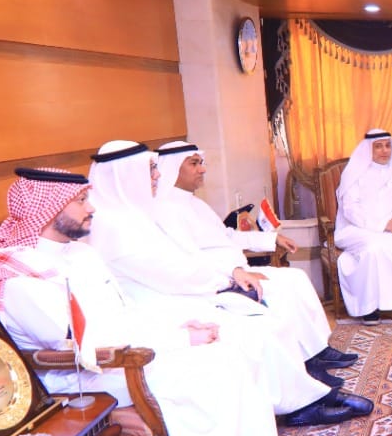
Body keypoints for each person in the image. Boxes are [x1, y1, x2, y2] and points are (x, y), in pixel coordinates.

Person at [0, 167, 292, 436]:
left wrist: (177, 326)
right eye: (80, 201)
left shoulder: (80, 255)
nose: (91, 208)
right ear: (49, 209)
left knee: (228, 348)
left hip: (118, 354)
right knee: (206, 369)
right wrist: (180, 339)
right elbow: (83, 346)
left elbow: (124, 313)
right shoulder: (23, 279)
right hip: (80, 376)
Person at [85, 140, 371, 427]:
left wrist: (234, 270)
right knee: (258, 326)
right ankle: (301, 402)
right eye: (150, 169)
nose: (157, 175)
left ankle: (305, 391)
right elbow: (174, 272)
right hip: (164, 307)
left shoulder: (138, 216)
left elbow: (200, 251)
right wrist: (228, 277)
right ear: (126, 175)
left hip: (187, 293)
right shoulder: (115, 226)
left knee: (265, 318)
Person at [152, 140, 357, 375]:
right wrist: (235, 273)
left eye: (202, 163)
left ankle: (317, 351)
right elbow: (189, 257)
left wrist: (272, 239)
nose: (203, 169)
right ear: (172, 168)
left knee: (296, 278)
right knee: (282, 288)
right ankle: (305, 362)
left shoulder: (194, 203)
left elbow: (227, 236)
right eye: (194, 164)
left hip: (236, 271)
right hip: (217, 280)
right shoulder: (166, 210)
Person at [334, 130, 392, 322]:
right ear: (369, 149)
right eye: (378, 146)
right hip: (356, 229)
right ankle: (370, 307)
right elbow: (350, 210)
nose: (384, 150)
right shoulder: (354, 171)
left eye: (387, 145)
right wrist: (382, 225)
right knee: (373, 250)